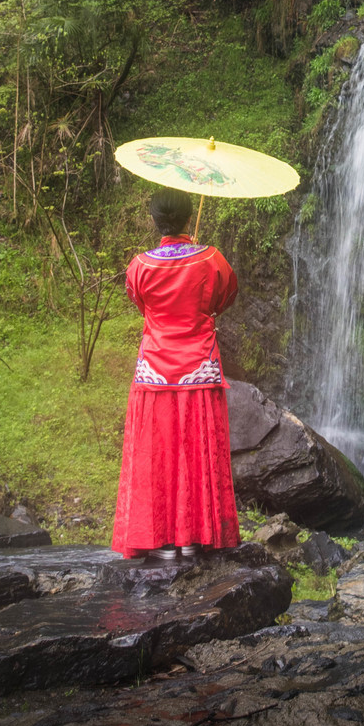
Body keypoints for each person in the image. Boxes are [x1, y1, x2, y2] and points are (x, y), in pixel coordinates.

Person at [111, 186, 241, 561]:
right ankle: (196, 537)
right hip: (198, 369)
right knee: (196, 450)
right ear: (188, 217)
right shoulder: (211, 259)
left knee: (157, 453)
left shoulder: (141, 265)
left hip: (153, 370)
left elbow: (140, 303)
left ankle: (159, 539)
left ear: (155, 221)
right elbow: (226, 297)